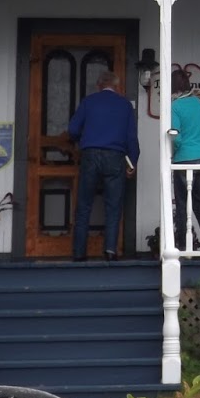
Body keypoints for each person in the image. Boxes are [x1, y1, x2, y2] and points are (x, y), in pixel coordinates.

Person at [68, 71, 139, 262]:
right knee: (113, 206)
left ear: (99, 85)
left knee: (84, 205)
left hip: (90, 155)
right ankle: (110, 251)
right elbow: (131, 137)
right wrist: (132, 162)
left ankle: (79, 253)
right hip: (115, 157)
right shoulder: (124, 105)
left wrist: (80, 140)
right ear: (117, 86)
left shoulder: (88, 102)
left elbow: (73, 129)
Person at [169, 67, 200, 250]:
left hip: (183, 161)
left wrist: (175, 151)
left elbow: (176, 136)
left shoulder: (175, 106)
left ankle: (182, 245)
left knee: (181, 204)